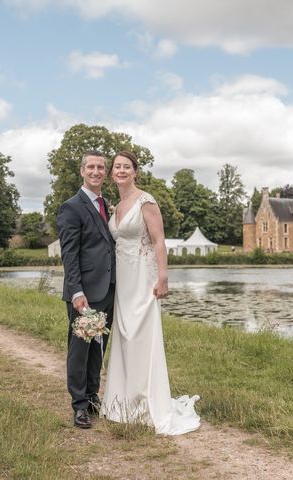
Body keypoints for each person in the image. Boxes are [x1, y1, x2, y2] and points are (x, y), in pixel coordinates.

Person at [101, 151, 200, 435]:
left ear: (135, 172)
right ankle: (123, 402)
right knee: (125, 336)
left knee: (143, 337)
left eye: (126, 167)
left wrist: (163, 277)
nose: (121, 171)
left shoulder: (146, 201)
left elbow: (159, 241)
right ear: (112, 174)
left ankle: (147, 404)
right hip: (123, 281)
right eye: (117, 167)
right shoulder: (116, 206)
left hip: (144, 279)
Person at [56, 150, 115, 429]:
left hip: (107, 290)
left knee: (98, 347)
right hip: (84, 293)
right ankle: (79, 405)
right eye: (91, 167)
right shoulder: (72, 207)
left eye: (101, 167)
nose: (96, 171)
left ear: (106, 172)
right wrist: (76, 291)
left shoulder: (105, 203)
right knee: (79, 348)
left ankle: (92, 396)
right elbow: (69, 254)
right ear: (82, 171)